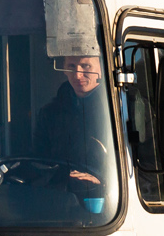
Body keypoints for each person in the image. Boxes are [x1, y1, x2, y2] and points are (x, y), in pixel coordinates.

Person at [35, 55, 111, 195]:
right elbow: (39, 160)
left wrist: (105, 182)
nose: (77, 75)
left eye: (86, 66)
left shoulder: (123, 108)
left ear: (103, 66)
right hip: (58, 199)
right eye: (71, 66)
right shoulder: (50, 113)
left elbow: (146, 166)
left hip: (110, 203)